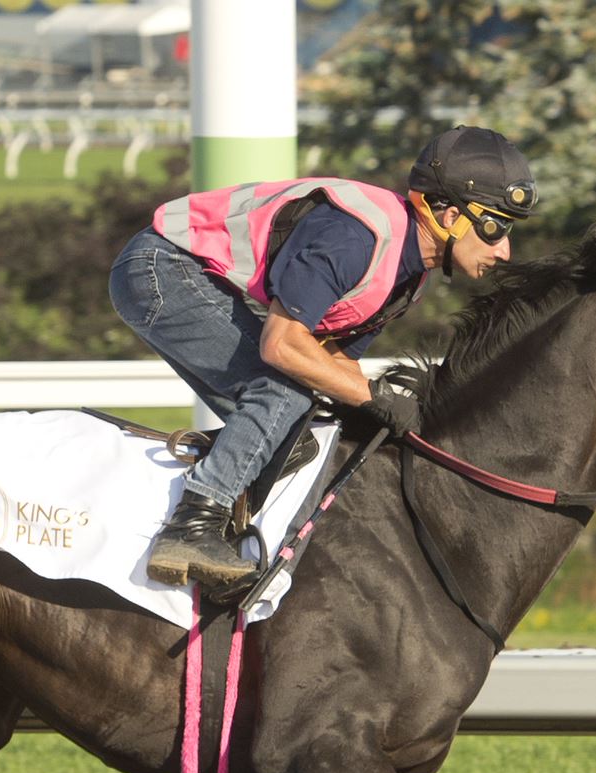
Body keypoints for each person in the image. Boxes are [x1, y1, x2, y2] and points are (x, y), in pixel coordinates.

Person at [109, 125, 539, 598]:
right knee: (284, 394)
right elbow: (282, 347)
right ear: (450, 216)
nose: (504, 250)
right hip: (159, 268)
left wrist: (404, 417)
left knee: (304, 425)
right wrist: (376, 398)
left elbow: (332, 362)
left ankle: (234, 532)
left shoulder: (409, 279)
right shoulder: (355, 238)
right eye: (495, 228)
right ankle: (192, 525)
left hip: (194, 279)